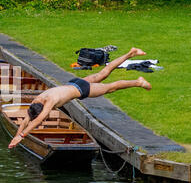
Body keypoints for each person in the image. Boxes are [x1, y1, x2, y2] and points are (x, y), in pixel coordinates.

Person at [8, 47, 152, 149]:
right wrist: (17, 135)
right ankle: (131, 53)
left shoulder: (48, 103)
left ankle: (138, 82)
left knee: (111, 87)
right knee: (103, 73)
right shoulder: (37, 101)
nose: (43, 117)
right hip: (73, 82)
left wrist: (22, 136)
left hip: (82, 89)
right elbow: (27, 120)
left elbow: (37, 120)